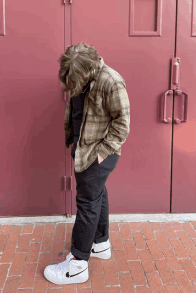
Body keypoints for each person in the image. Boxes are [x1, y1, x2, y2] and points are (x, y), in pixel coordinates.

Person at [44, 42, 130, 285]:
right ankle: (100, 244)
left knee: (86, 203)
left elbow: (122, 124)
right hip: (84, 149)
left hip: (98, 153)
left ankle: (78, 265)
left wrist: (100, 154)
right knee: (96, 195)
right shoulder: (80, 75)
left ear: (90, 68)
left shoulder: (111, 81)